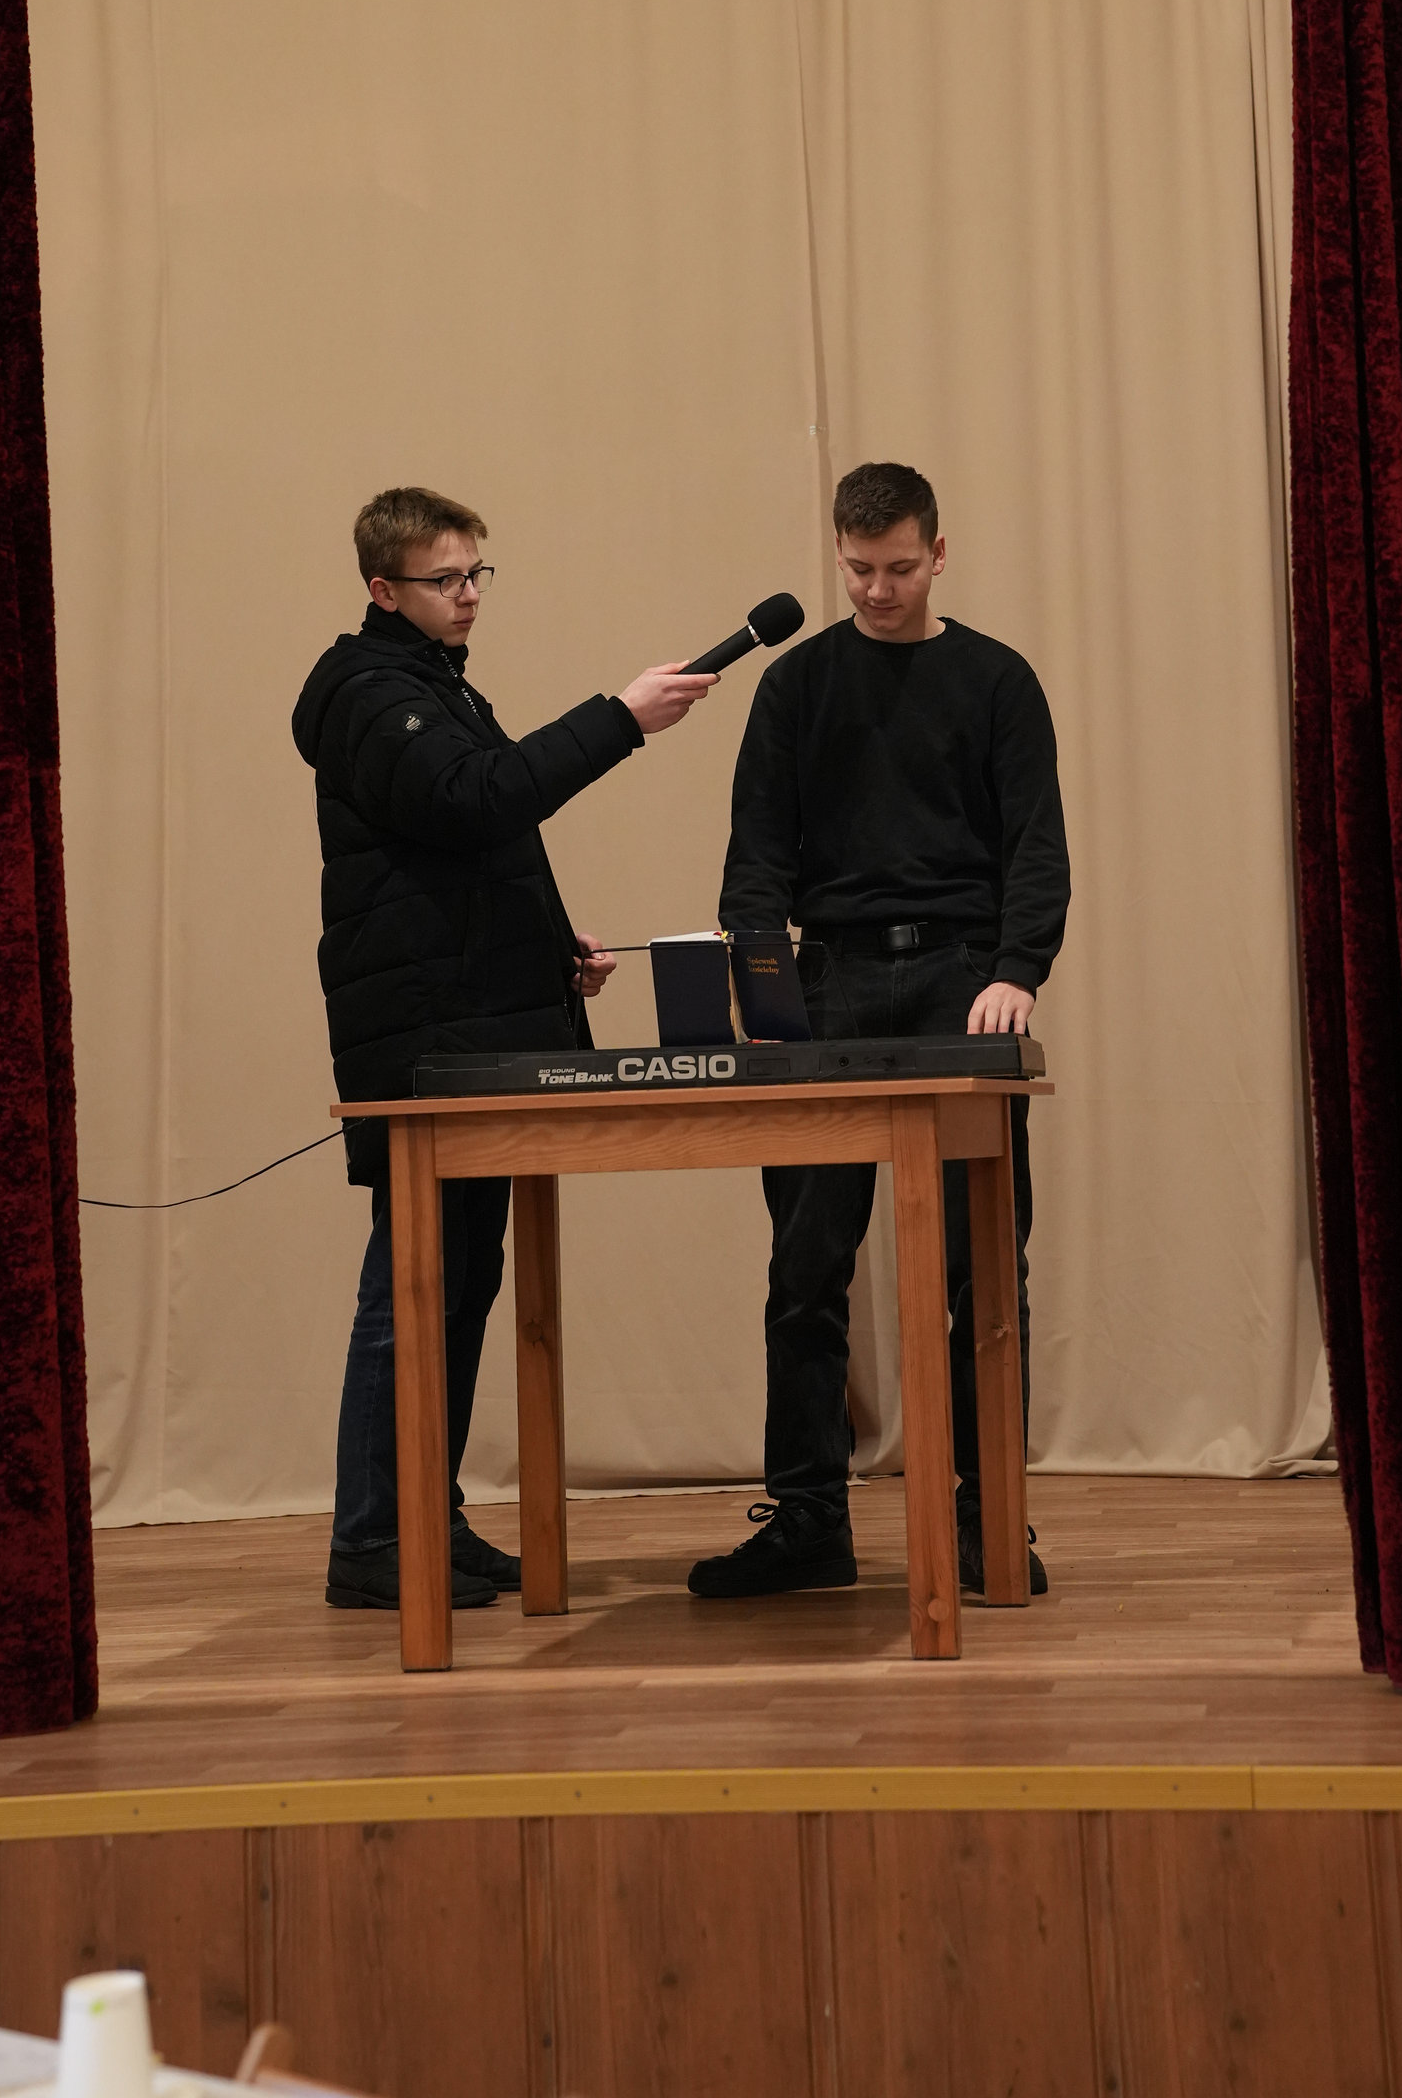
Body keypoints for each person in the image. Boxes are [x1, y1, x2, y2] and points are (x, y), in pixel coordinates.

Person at [293, 484, 715, 1611]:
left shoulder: (432, 684)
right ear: (384, 589)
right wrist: (620, 718)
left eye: (477, 572)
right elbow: (478, 800)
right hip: (428, 1045)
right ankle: (374, 1542)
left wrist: (548, 953)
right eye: (445, 579)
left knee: (458, 1285)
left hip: (467, 1026)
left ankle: (421, 1519)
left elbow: (464, 862)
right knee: (414, 1290)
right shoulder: (371, 693)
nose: (469, 594)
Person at [693, 460, 1069, 1602]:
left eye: (899, 568)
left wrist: (1017, 971)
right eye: (857, 569)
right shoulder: (795, 686)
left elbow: (1035, 847)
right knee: (805, 1267)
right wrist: (765, 991)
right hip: (831, 979)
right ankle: (809, 1518)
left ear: (937, 555)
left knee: (979, 1265)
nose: (876, 590)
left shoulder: (997, 680)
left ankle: (986, 1517)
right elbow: (756, 858)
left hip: (960, 978)